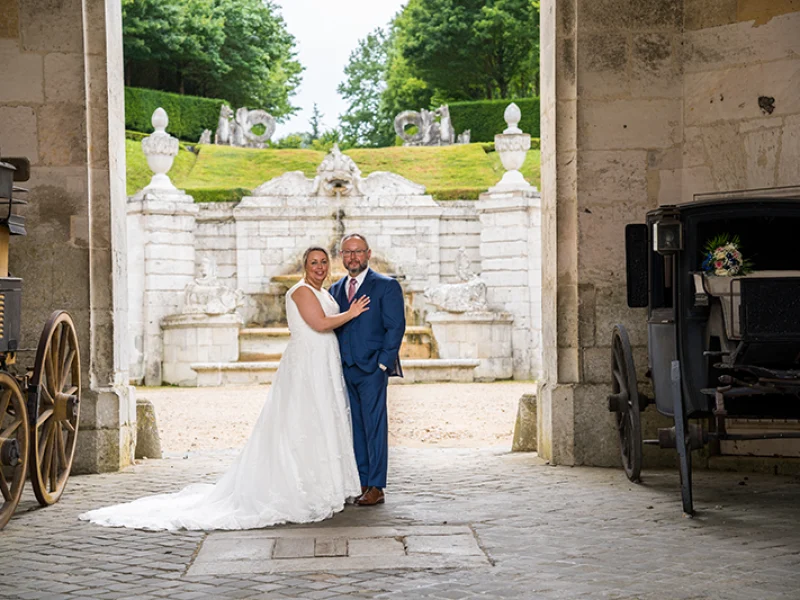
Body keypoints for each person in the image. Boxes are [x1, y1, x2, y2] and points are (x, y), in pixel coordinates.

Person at [79, 247, 369, 530]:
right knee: (303, 422)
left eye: (323, 262)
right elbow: (319, 323)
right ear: (304, 266)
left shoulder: (324, 292)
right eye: (313, 262)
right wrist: (353, 313)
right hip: (308, 366)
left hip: (323, 364)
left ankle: (325, 484)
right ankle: (303, 489)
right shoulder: (302, 291)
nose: (319, 267)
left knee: (322, 422)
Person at [330, 234, 405, 506]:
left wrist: (383, 363)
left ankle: (377, 485)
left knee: (375, 427)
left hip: (372, 368)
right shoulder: (335, 290)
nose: (353, 257)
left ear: (368, 253)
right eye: (348, 253)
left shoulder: (385, 286)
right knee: (356, 428)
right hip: (345, 368)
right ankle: (361, 481)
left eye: (358, 252)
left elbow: (395, 327)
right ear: (341, 256)